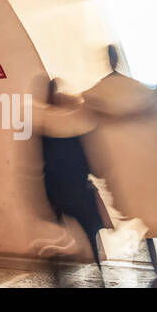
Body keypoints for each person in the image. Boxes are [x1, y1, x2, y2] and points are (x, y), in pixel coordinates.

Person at [81, 46, 157, 287]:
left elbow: (93, 153)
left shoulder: (93, 101)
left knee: (146, 229)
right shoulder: (144, 94)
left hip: (126, 181)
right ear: (118, 60)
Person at [37, 79, 108, 284]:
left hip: (57, 191)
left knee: (63, 233)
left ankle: (63, 264)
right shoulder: (75, 122)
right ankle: (99, 271)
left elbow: (41, 162)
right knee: (91, 232)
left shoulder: (44, 125)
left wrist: (45, 193)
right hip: (79, 189)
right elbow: (88, 157)